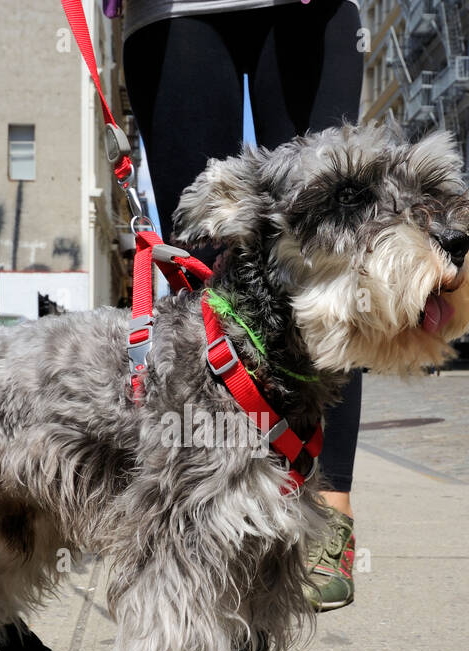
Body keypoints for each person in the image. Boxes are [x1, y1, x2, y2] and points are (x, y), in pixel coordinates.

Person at [122, 0, 364, 611]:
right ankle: (203, 497)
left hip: (312, 10)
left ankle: (327, 504)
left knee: (334, 250)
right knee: (203, 249)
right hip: (178, 9)